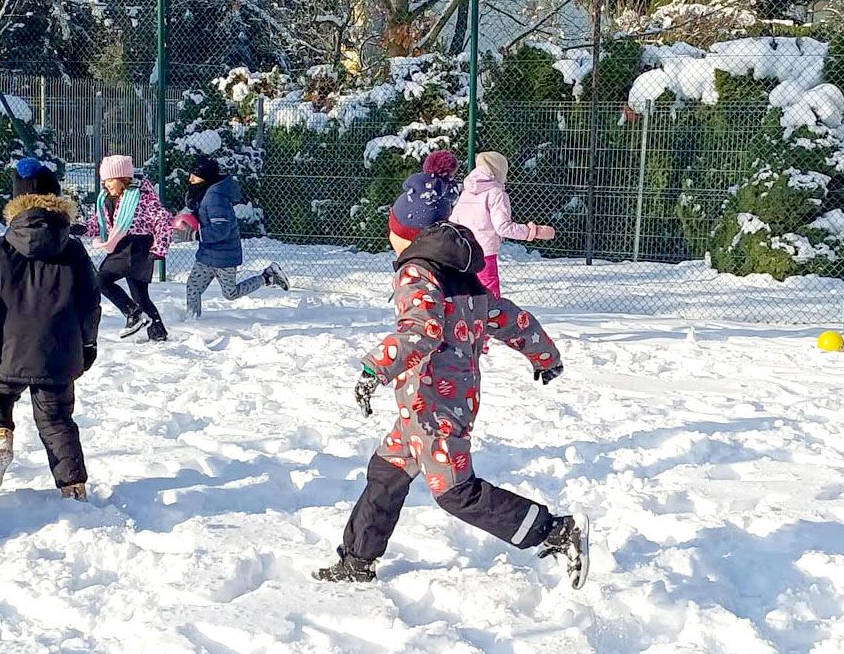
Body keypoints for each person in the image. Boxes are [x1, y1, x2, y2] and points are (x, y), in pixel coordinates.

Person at [313, 151, 589, 589]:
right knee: (386, 472)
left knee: (455, 492)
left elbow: (421, 330)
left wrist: (374, 369)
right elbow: (508, 317)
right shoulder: (460, 273)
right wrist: (544, 355)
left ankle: (554, 531)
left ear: (405, 234)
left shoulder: (417, 272)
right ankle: (357, 559)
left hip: (436, 405)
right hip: (425, 403)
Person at [0, 158, 102, 501]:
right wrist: (87, 345)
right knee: (56, 420)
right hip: (58, 355)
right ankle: (73, 487)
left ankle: (0, 436)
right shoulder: (72, 248)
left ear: (14, 203)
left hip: (6, 353)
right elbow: (90, 302)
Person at [80, 155, 175, 342]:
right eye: (104, 181)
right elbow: (101, 223)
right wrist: (83, 228)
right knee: (140, 295)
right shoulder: (106, 199)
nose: (106, 184)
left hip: (137, 247)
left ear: (123, 178)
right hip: (123, 247)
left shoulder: (142, 197)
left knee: (100, 281)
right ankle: (158, 333)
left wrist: (159, 247)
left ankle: (133, 313)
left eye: (110, 180)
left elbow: (163, 220)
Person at [183, 157, 289, 319]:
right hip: (207, 253)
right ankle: (192, 321)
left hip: (224, 255)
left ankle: (268, 276)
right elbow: (204, 216)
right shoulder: (205, 193)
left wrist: (195, 235)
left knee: (230, 293)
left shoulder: (215, 197)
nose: (190, 179)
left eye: (195, 175)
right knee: (193, 287)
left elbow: (221, 229)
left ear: (206, 176)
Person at [449, 151, 556, 299]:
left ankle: (466, 319)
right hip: (484, 251)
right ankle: (492, 319)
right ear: (499, 171)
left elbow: (454, 219)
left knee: (464, 291)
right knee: (489, 292)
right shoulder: (496, 193)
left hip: (462, 249)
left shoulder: (467, 191)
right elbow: (503, 227)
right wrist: (533, 231)